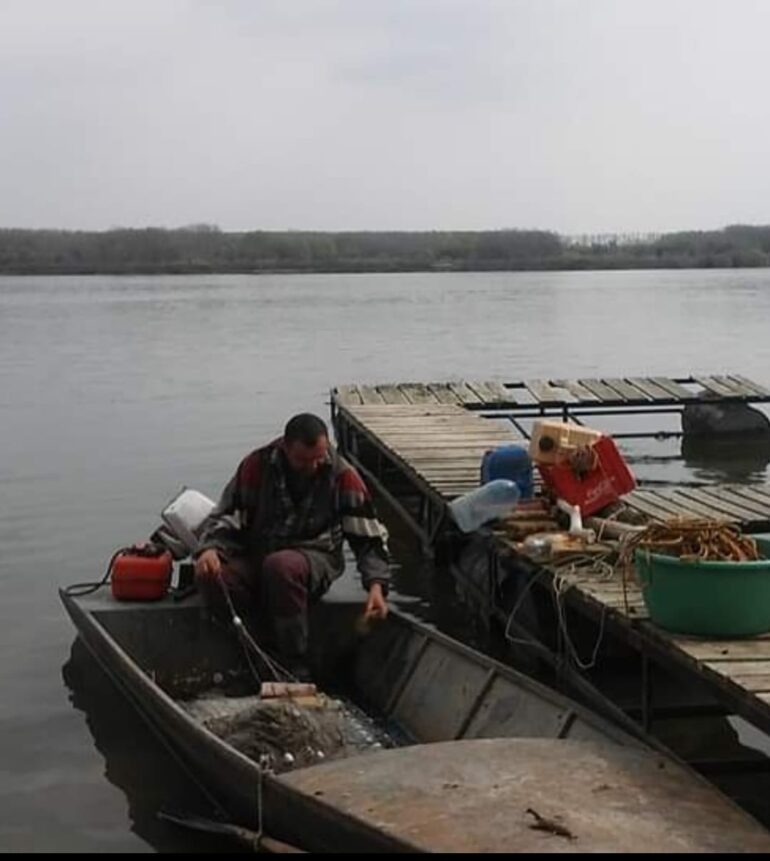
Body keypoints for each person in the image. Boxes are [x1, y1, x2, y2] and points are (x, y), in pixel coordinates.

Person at [193, 413, 390, 680]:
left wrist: (376, 586)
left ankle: (293, 663)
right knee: (211, 577)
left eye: (318, 458)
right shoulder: (257, 465)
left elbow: (368, 537)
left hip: (313, 557)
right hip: (259, 552)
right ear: (285, 448)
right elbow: (227, 515)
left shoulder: (342, 476)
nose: (313, 466)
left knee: (281, 567)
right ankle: (255, 651)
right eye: (303, 460)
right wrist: (210, 549)